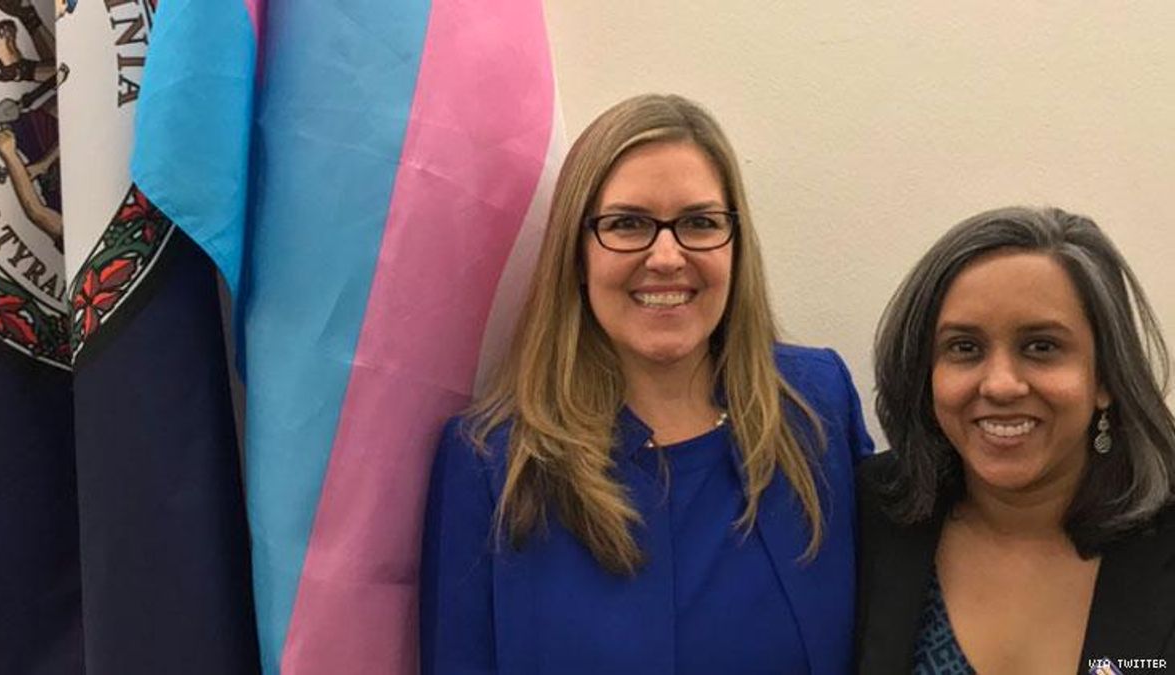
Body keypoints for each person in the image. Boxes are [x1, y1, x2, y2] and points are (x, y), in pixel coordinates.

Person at [419, 94, 873, 674]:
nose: (666, 257)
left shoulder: (815, 409)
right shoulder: (490, 463)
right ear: (576, 254)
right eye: (627, 224)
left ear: (735, 246)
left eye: (700, 223)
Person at [856, 207, 1175, 674]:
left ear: (1106, 377)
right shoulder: (865, 517)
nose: (1001, 385)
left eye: (1041, 346)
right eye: (965, 347)